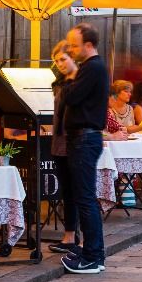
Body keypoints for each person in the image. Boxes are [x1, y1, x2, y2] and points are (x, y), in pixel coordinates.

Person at [59, 23, 109, 274]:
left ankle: (92, 256)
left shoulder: (92, 68)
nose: (71, 50)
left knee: (85, 197)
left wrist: (70, 75)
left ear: (88, 45)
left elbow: (72, 98)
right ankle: (93, 253)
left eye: (74, 45)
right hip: (83, 138)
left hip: (85, 138)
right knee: (84, 196)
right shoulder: (91, 68)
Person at [48, 41, 80, 255]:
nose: (59, 64)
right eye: (56, 60)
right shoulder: (59, 84)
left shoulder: (81, 82)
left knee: (79, 191)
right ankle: (69, 235)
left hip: (76, 140)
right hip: (60, 140)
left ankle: (82, 238)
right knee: (66, 190)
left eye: (63, 59)